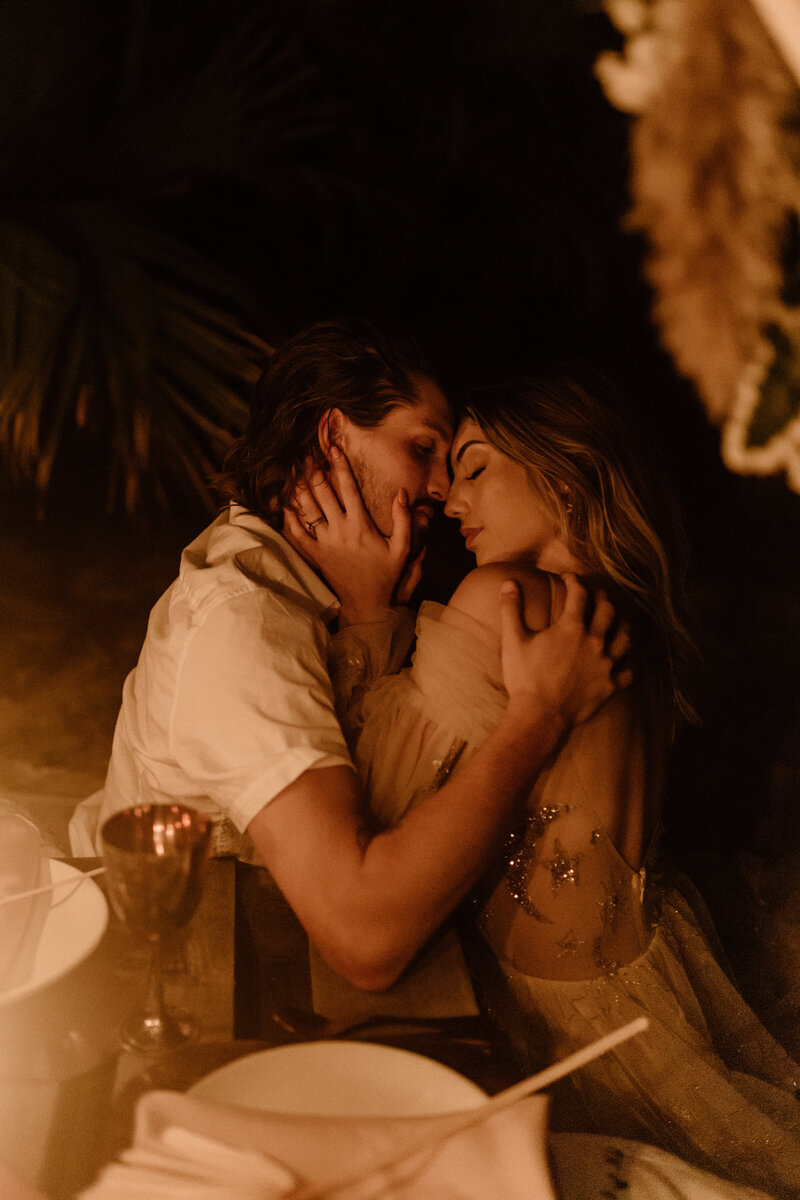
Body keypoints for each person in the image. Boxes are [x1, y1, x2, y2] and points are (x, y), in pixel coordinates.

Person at [298, 365, 800, 1196]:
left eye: (475, 467)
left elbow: (381, 797)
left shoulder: (506, 596)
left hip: (564, 1021)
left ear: (564, 474)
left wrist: (365, 613)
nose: (452, 503)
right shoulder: (628, 611)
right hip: (650, 973)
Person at [68, 319, 630, 994]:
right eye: (422, 449)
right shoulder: (244, 621)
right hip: (186, 965)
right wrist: (541, 716)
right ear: (332, 436)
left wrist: (369, 620)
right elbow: (365, 939)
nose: (440, 492)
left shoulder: (321, 592)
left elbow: (384, 782)